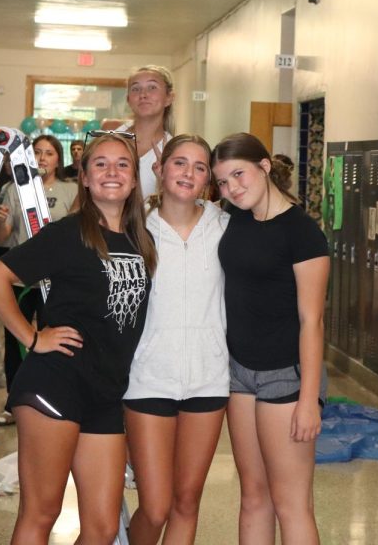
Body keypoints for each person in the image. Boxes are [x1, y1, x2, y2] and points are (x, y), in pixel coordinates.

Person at [0, 133, 156, 545]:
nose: (112, 172)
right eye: (101, 164)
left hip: (106, 394)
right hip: (56, 383)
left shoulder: (141, 240)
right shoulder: (69, 233)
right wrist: (32, 336)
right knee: (41, 513)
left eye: (122, 164)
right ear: (86, 179)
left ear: (134, 180)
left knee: (103, 527)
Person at [210, 133, 330, 545]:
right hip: (239, 372)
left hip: (285, 376)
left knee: (291, 503)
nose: (232, 188)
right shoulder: (236, 218)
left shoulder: (301, 231)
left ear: (264, 166)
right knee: (253, 496)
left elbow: (311, 321)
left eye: (238, 175)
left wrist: (308, 400)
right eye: (223, 182)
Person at [125, 135, 229, 545]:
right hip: (148, 380)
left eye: (199, 167)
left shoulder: (224, 226)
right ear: (159, 170)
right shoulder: (134, 230)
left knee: (187, 501)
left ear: (209, 179)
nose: (188, 173)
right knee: (155, 505)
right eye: (180, 163)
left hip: (209, 380)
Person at [0, 133, 81, 426]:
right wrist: (0, 220)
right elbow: (2, 238)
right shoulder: (12, 189)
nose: (43, 158)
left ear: (59, 159)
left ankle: (51, 397)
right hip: (20, 280)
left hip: (57, 282)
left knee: (56, 336)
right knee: (17, 338)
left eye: (49, 153)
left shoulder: (71, 190)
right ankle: (14, 402)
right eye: (37, 153)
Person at [120, 65, 175, 199]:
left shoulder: (173, 151)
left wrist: (164, 181)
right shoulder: (109, 138)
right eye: (136, 89)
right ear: (129, 100)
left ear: (169, 98)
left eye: (152, 87)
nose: (143, 95)